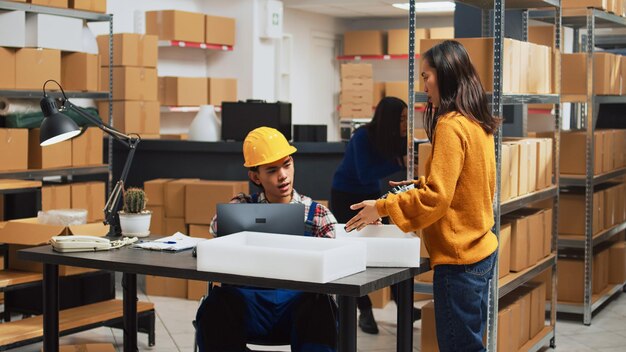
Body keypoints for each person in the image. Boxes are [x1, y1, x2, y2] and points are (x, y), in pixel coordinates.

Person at [345, 40, 500, 352]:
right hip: (481, 249)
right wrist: (420, 183)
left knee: (459, 347)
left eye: (427, 76)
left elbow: (437, 199)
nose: (423, 84)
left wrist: (382, 207)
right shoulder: (475, 121)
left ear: (445, 75)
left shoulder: (450, 125)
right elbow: (466, 183)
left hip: (460, 260)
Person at [196, 127, 339, 352]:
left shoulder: (317, 214)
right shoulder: (242, 208)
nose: (282, 175)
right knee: (216, 304)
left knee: (321, 305)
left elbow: (335, 260)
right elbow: (215, 228)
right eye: (272, 170)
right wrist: (240, 215)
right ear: (255, 177)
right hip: (248, 306)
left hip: (296, 310)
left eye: (287, 164)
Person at [330, 96, 420, 334]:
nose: (405, 123)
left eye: (406, 118)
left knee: (390, 251)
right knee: (350, 256)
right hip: (346, 198)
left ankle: (405, 308)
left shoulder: (394, 138)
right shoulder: (362, 136)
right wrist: (399, 161)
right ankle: (365, 312)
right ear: (389, 119)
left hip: (374, 199)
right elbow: (365, 173)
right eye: (401, 119)